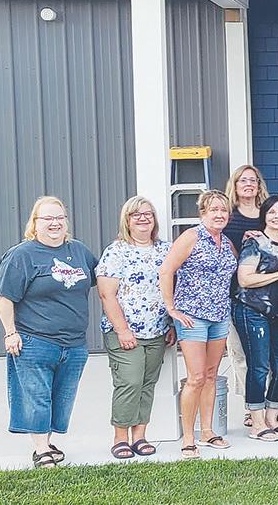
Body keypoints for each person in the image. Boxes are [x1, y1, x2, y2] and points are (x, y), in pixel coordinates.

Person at [0, 196, 98, 468]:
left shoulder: (79, 251)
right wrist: (10, 333)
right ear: (35, 223)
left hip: (74, 343)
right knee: (37, 397)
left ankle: (47, 442)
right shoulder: (22, 255)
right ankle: (41, 449)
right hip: (35, 340)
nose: (55, 223)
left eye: (59, 217)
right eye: (48, 218)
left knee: (61, 398)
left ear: (66, 221)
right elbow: (5, 298)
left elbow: (101, 277)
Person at [159, 190, 237, 459]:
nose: (219, 214)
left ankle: (207, 431)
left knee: (211, 375)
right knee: (196, 377)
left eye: (223, 210)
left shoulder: (226, 242)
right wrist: (171, 308)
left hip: (220, 316)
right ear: (202, 213)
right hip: (193, 316)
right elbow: (166, 270)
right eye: (213, 209)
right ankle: (188, 438)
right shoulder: (191, 237)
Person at [97, 196, 173, 459]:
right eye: (135, 214)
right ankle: (120, 438)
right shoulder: (116, 251)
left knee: (147, 383)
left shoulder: (165, 250)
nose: (142, 218)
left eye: (148, 214)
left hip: (157, 330)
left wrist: (171, 323)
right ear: (126, 220)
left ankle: (140, 436)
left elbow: (173, 288)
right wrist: (123, 330)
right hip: (125, 331)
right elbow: (106, 294)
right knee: (129, 382)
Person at [221, 165, 278, 426]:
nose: (248, 184)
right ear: (235, 185)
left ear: (259, 185)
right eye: (243, 180)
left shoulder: (268, 212)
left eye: (253, 180)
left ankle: (273, 403)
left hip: (271, 295)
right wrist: (243, 245)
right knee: (243, 354)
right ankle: (252, 407)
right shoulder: (228, 216)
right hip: (238, 295)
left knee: (276, 358)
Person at [233, 196, 278, 442]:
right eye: (272, 212)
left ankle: (272, 417)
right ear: (265, 216)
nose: (277, 216)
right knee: (258, 366)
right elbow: (245, 279)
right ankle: (257, 423)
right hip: (252, 309)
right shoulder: (255, 243)